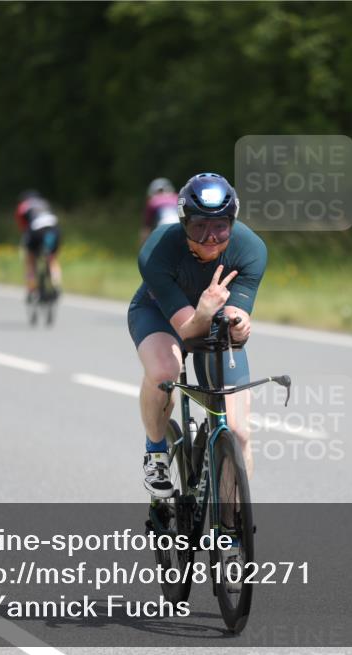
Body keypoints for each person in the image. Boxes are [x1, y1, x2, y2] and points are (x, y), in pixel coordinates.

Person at [129, 173, 267, 498]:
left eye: (220, 226)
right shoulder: (157, 251)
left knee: (238, 432)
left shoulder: (252, 250)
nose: (210, 238)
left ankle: (232, 530)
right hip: (160, 315)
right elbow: (187, 332)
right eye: (198, 227)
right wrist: (204, 311)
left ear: (233, 222)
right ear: (183, 223)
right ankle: (156, 451)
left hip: (213, 317)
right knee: (164, 372)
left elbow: (237, 314)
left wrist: (239, 323)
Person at [15, 190, 62, 300]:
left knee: (30, 260)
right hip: (53, 230)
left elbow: (23, 227)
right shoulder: (45, 202)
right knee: (52, 259)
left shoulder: (23, 205)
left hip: (36, 230)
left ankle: (31, 287)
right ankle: (56, 284)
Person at [141, 177, 180, 244]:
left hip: (163, 226)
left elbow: (146, 228)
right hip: (180, 226)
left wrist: (143, 247)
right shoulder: (177, 197)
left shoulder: (153, 201)